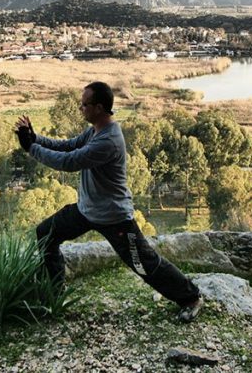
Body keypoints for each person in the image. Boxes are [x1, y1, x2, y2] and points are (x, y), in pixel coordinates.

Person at [14, 81, 204, 322]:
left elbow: (69, 161)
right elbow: (68, 145)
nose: (80, 108)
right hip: (87, 210)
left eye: (85, 104)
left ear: (99, 108)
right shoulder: (95, 130)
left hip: (114, 218)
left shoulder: (107, 141)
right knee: (46, 234)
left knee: (145, 264)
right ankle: (54, 294)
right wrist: (35, 138)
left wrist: (31, 149)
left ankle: (191, 298)